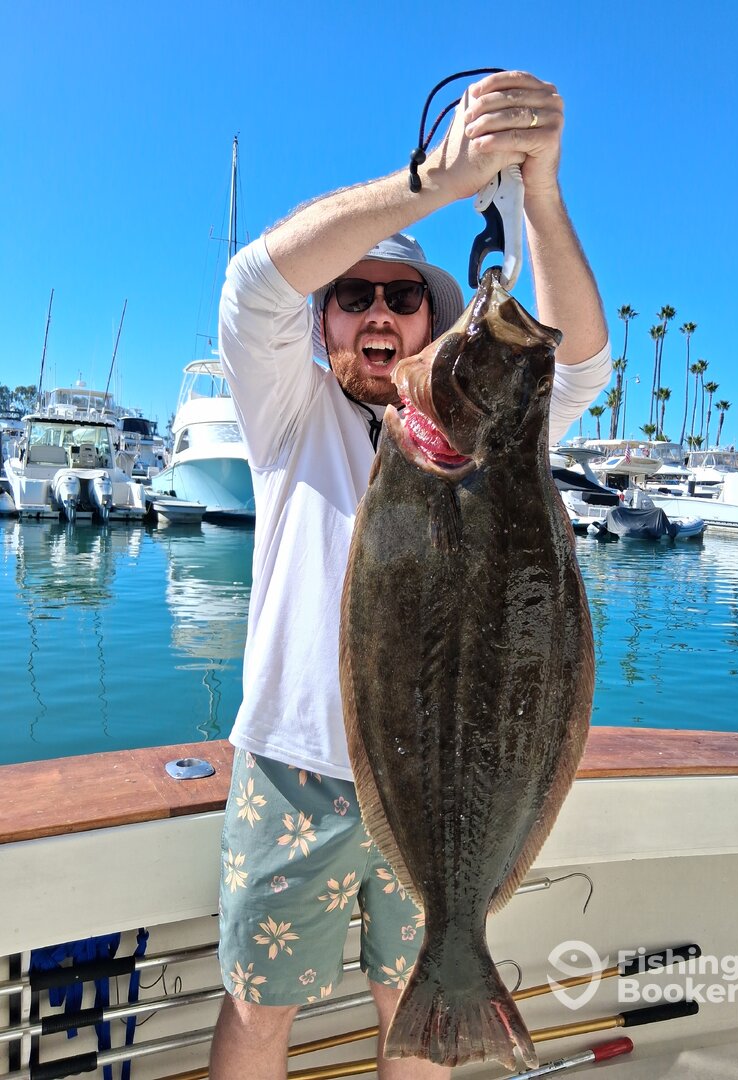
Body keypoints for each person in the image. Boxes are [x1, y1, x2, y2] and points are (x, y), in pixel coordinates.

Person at [210, 71, 611, 1080]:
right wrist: (438, 180)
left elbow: (579, 366)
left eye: (402, 297)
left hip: (453, 779)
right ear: (325, 322)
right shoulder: (287, 412)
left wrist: (539, 193)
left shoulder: (493, 432)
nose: (379, 313)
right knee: (258, 1012)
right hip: (293, 770)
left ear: (433, 321)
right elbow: (257, 283)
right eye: (354, 296)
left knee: (417, 1004)